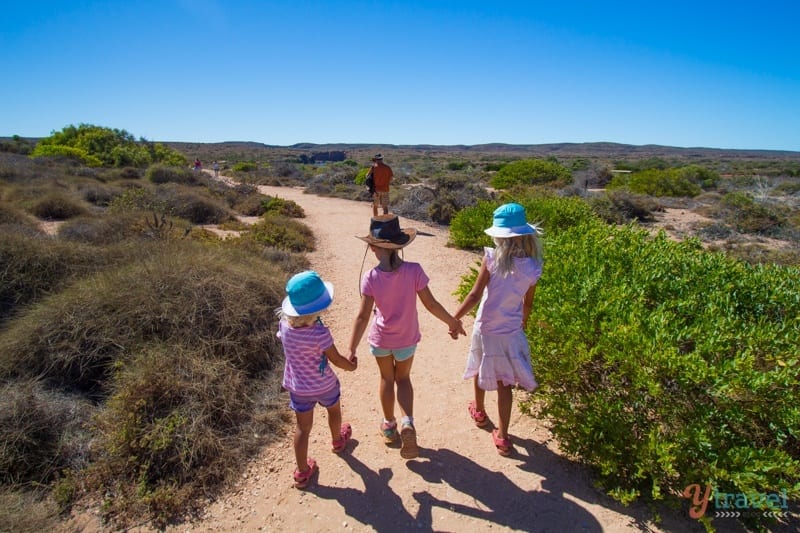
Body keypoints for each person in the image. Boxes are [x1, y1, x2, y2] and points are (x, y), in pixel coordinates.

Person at [348, 214, 465, 459]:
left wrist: (351, 348)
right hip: (406, 339)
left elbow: (362, 316)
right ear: (400, 246)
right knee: (403, 379)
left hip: (381, 340)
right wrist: (452, 322)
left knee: (386, 379)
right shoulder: (414, 271)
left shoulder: (370, 277)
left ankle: (389, 426)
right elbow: (431, 304)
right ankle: (408, 422)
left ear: (372, 247)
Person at [451, 203, 543, 457]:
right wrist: (521, 324)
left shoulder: (491, 258)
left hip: (486, 327)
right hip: (511, 331)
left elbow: (474, 295)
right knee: (506, 383)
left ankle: (479, 412)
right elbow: (528, 303)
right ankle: (503, 436)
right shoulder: (534, 267)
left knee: (480, 365)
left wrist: (454, 318)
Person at [277, 271, 358, 488]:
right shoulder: (319, 333)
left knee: (303, 428)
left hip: (298, 387)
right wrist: (350, 366)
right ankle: (337, 441)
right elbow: (336, 359)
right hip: (324, 385)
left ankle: (302, 472)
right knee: (333, 410)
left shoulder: (284, 327)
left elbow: (286, 341)